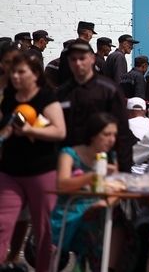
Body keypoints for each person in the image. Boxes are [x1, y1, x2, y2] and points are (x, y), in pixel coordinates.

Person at [0, 53, 66, 272]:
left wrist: (31, 131)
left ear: (36, 74)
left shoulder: (46, 97)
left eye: (21, 72)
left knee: (43, 230)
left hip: (41, 171)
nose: (15, 76)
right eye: (13, 72)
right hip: (10, 171)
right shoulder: (9, 97)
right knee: (2, 223)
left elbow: (59, 131)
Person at [51, 113, 130, 271]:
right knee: (101, 224)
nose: (112, 139)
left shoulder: (110, 157)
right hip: (71, 209)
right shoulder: (69, 154)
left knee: (123, 223)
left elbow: (117, 188)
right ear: (93, 135)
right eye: (106, 134)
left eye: (114, 135)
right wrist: (94, 175)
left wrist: (105, 202)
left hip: (99, 208)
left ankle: (108, 268)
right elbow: (62, 185)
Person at [56, 39, 134, 172]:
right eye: (73, 59)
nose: (78, 63)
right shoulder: (61, 93)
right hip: (69, 163)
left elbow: (122, 132)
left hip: (103, 163)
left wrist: (124, 170)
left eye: (82, 58)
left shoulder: (109, 90)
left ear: (92, 59)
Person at [58, 21, 96, 85]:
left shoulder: (67, 48)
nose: (91, 36)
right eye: (91, 33)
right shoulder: (86, 49)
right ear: (88, 33)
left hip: (66, 85)